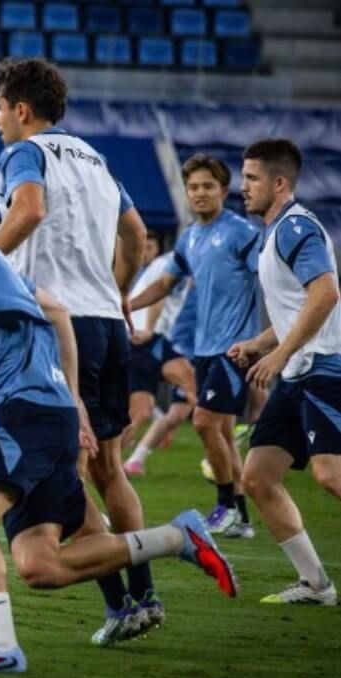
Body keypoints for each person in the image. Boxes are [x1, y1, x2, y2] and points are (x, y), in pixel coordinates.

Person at [0, 162, 236, 672]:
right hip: (50, 414)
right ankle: (176, 538)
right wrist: (73, 399)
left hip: (26, 415)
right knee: (40, 566)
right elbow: (57, 310)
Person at [0, 58, 160, 646]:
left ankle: (120, 606)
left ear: (21, 109)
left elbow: (29, 209)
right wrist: (119, 292)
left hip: (60, 326)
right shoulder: (95, 159)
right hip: (108, 323)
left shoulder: (23, 153)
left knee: (70, 472)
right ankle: (145, 595)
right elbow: (135, 235)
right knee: (110, 468)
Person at [230, 139, 341, 605]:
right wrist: (261, 344)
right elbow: (297, 308)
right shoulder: (274, 233)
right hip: (297, 373)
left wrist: (278, 356)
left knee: (331, 475)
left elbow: (326, 294)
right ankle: (317, 585)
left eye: (251, 178)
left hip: (324, 370)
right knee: (258, 476)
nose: (243, 187)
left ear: (279, 183)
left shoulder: (296, 227)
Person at [130, 154, 262, 539]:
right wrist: (126, 304)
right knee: (222, 433)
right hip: (203, 349)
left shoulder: (242, 232)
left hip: (234, 349)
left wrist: (267, 341)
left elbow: (268, 278)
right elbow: (165, 284)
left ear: (223, 190)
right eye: (193, 187)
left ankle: (226, 505)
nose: (200, 193)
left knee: (203, 421)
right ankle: (240, 518)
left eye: (208, 186)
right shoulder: (189, 237)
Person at [122, 238, 197, 457]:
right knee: (190, 382)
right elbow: (159, 296)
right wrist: (149, 329)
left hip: (146, 337)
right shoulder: (170, 264)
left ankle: (117, 462)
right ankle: (214, 442)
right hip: (144, 337)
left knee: (141, 411)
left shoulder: (181, 265)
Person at [125, 284, 199, 475]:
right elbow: (159, 290)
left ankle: (130, 461)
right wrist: (149, 328)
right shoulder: (175, 269)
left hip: (160, 344)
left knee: (156, 411)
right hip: (152, 342)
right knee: (141, 411)